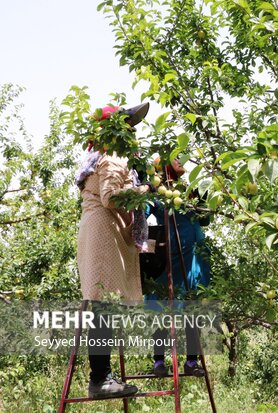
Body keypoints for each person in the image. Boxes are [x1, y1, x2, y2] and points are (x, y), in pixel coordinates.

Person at [75, 102, 151, 399]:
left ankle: (103, 375)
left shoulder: (100, 157)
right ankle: (100, 379)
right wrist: (143, 190)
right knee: (103, 307)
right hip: (103, 231)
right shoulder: (113, 158)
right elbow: (109, 197)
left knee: (103, 305)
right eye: (127, 128)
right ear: (115, 132)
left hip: (98, 230)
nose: (132, 134)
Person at [144, 158, 212, 377]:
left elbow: (205, 220)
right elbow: (143, 213)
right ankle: (159, 361)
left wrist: (202, 197)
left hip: (194, 256)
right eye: (176, 158)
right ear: (164, 167)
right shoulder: (158, 192)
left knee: (192, 306)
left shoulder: (190, 188)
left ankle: (191, 361)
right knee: (162, 306)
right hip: (168, 257)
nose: (182, 160)